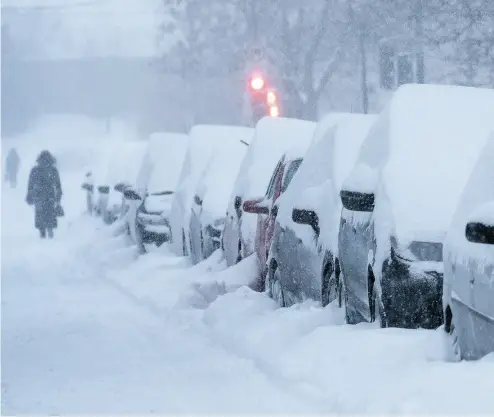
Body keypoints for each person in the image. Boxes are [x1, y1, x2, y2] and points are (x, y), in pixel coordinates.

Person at [26, 150, 63, 239]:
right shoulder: (53, 170)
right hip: (50, 195)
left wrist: (29, 194)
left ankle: (42, 233)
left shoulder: (35, 170)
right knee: (50, 213)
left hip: (38, 195)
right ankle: (50, 232)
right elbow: (58, 185)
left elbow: (30, 184)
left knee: (40, 213)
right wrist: (58, 197)